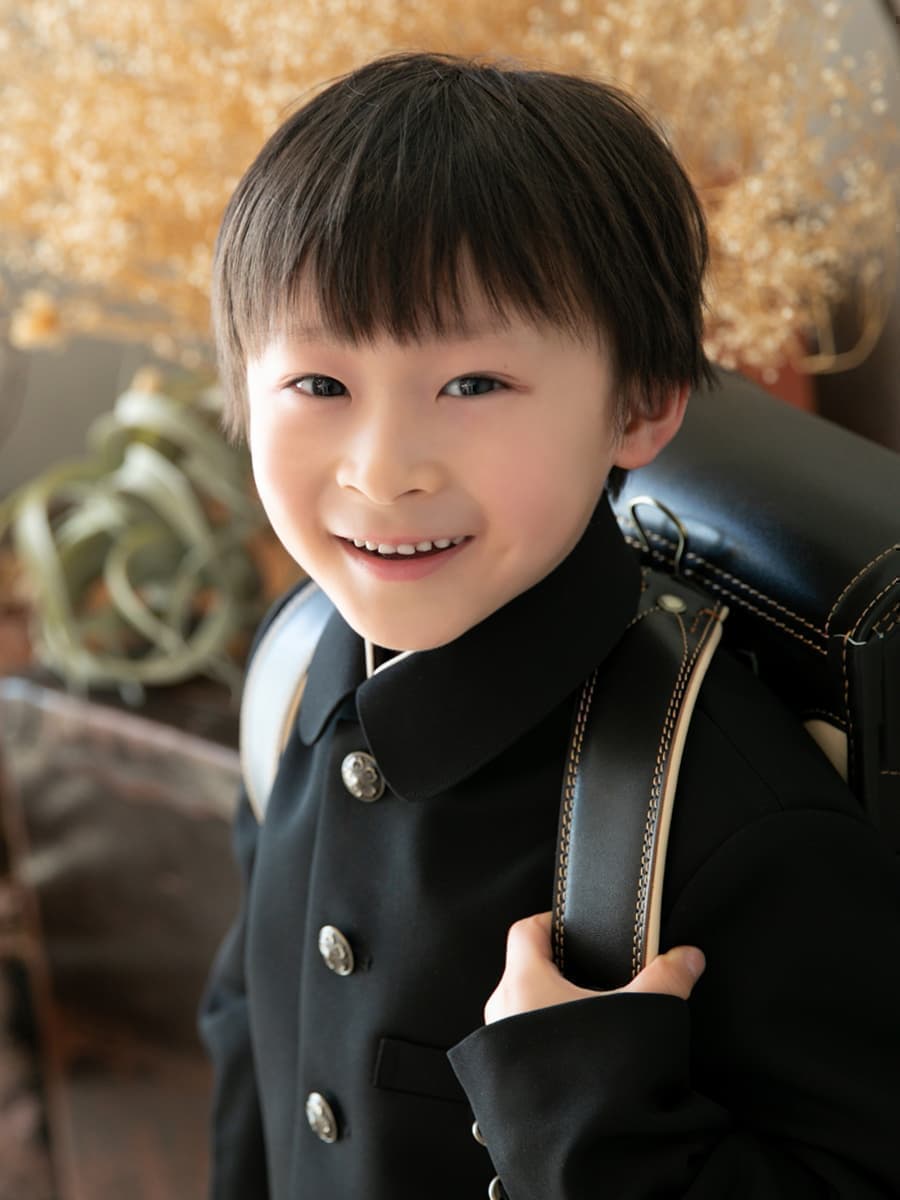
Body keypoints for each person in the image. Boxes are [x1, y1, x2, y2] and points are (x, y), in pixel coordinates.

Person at [199, 52, 900, 1199]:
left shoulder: (732, 821)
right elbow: (249, 1042)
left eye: (472, 385)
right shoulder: (291, 671)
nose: (383, 471)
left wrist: (582, 1116)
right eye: (320, 385)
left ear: (641, 403)